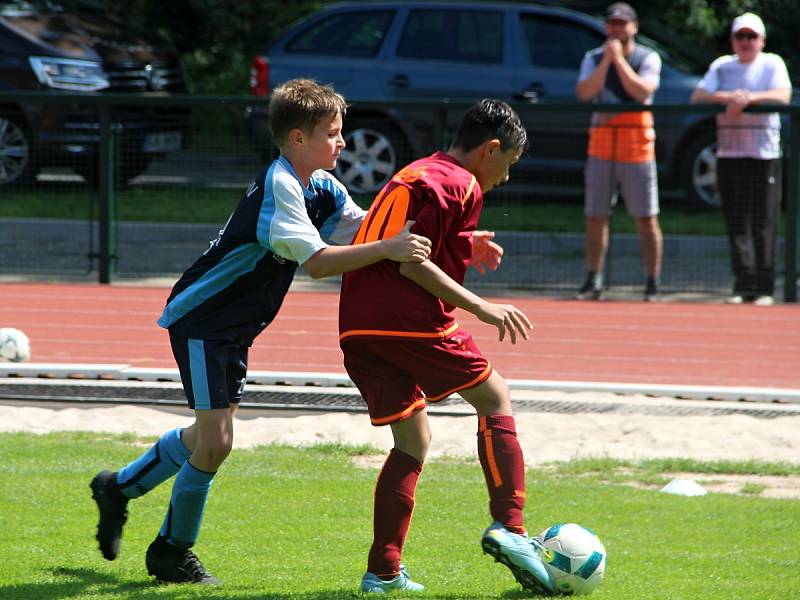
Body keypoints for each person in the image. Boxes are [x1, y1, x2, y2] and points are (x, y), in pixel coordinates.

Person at [89, 79, 432, 584]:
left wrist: (449, 243)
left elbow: (366, 232)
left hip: (234, 328)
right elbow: (318, 263)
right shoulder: (282, 187)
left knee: (207, 436)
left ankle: (118, 487)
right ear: (297, 138)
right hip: (203, 319)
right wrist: (389, 249)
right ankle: (170, 552)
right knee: (218, 443)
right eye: (333, 134)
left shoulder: (323, 187)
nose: (342, 142)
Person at [338, 99, 556, 595]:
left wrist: (466, 241)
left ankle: (383, 572)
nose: (504, 178)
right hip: (407, 318)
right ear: (490, 149)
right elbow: (413, 265)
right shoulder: (463, 183)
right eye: (508, 165)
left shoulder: (419, 170)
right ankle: (511, 527)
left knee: (412, 442)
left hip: (358, 324)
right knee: (495, 397)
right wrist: (482, 307)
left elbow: (413, 239)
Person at [690, 13, 792, 306]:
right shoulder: (722, 66)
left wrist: (749, 100)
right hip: (730, 152)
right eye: (741, 37)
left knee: (763, 220)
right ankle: (743, 283)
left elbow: (782, 96)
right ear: (733, 40)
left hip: (763, 154)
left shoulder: (772, 63)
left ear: (761, 40)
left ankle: (764, 286)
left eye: (752, 37)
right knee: (736, 220)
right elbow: (699, 96)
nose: (746, 42)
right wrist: (729, 99)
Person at [575, 2, 663, 302]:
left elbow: (642, 91)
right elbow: (585, 93)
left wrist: (619, 61)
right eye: (612, 23)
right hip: (601, 145)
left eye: (622, 23)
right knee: (595, 216)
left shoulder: (648, 57)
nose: (616, 29)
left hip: (638, 148)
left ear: (634, 27)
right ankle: (592, 279)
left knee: (646, 217)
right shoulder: (593, 58)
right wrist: (606, 62)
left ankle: (652, 281)